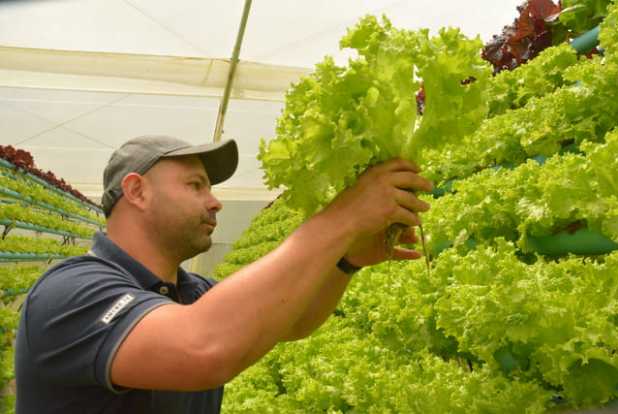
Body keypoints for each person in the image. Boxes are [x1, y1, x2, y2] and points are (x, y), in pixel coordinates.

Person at [14, 135, 432, 413]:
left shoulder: (190, 292)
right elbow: (203, 347)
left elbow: (293, 319)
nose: (215, 203)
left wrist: (347, 261)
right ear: (137, 191)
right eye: (196, 186)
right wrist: (340, 219)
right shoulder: (71, 290)